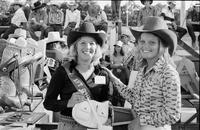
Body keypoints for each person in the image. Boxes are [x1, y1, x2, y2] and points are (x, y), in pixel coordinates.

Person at [103, 16, 181, 130]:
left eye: (152, 42)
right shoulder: (142, 70)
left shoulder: (168, 73)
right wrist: (114, 79)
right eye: (142, 41)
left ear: (163, 46)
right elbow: (134, 98)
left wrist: (141, 121)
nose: (145, 46)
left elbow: (173, 114)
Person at [43, 22, 113, 130]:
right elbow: (48, 103)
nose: (87, 47)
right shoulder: (62, 71)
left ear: (97, 48)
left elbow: (106, 101)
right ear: (75, 47)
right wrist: (68, 103)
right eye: (83, 43)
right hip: (69, 126)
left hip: (94, 126)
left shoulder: (103, 73)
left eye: (92, 43)